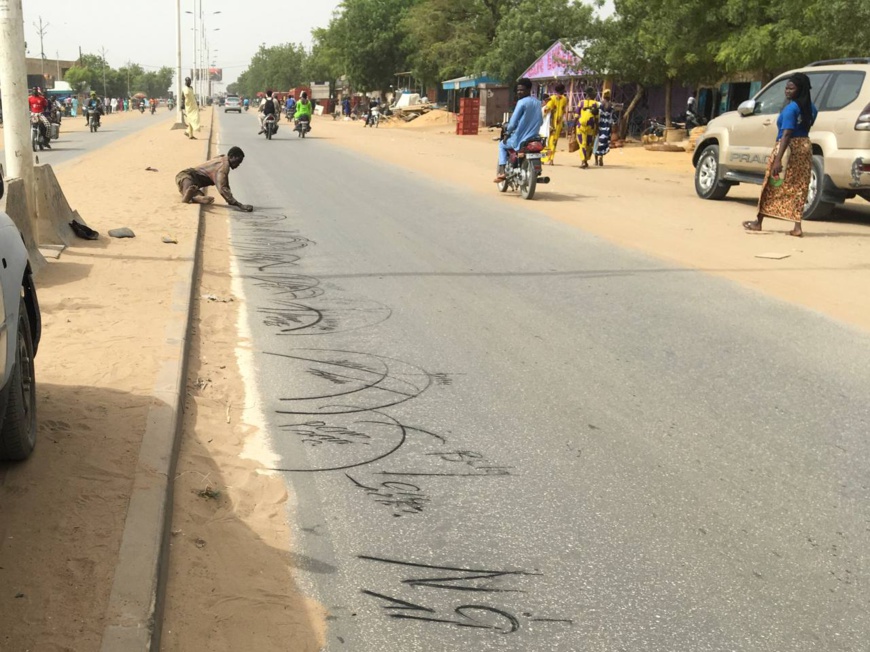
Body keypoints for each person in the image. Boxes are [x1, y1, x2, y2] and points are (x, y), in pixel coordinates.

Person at [743, 72, 817, 238]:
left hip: (787, 148)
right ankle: (797, 226)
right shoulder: (811, 109)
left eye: (791, 88)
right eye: (787, 87)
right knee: (799, 186)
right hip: (804, 148)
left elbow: (787, 134)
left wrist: (778, 160)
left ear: (800, 89)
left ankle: (758, 222)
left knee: (772, 182)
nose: (787, 91)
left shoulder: (791, 109)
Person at [175, 146, 253, 211]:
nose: (238, 165)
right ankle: (187, 196)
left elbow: (225, 183)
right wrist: (239, 205)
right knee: (187, 183)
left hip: (195, 181)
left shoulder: (222, 157)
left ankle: (196, 197)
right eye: (238, 161)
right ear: (232, 156)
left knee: (197, 192)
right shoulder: (223, 168)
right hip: (186, 174)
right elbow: (223, 188)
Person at [494, 78, 543, 183]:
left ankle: (502, 172)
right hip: (535, 137)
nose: (519, 92)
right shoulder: (538, 102)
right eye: (518, 90)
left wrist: (507, 132)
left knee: (502, 145)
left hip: (520, 138)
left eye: (522, 90)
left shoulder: (521, 102)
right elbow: (541, 121)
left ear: (529, 90)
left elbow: (512, 122)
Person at [541, 83, 568, 165]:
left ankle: (543, 158)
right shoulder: (565, 99)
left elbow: (547, 109)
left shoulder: (552, 98)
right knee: (554, 142)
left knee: (546, 141)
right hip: (558, 124)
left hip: (550, 124)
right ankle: (551, 159)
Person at [575, 86, 599, 169]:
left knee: (582, 144)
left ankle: (583, 161)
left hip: (580, 126)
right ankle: (585, 160)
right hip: (591, 127)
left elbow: (576, 115)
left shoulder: (581, 103)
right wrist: (597, 128)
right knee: (588, 144)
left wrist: (572, 127)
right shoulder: (596, 104)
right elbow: (597, 118)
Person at [595, 89, 614, 167]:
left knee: (597, 141)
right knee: (603, 141)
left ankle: (596, 159)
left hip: (600, 124)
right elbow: (611, 117)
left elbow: (597, 115)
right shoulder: (611, 105)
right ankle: (601, 157)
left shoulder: (599, 104)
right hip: (607, 125)